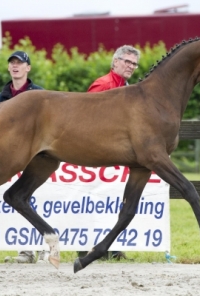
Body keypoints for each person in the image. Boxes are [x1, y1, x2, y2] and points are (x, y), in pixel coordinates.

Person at [87, 45, 141, 260]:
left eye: (134, 64)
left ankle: (112, 248)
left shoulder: (130, 88)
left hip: (116, 156)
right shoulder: (103, 85)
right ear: (115, 62)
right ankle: (90, 247)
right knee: (96, 202)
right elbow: (86, 118)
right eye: (127, 62)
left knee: (111, 203)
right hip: (98, 155)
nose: (131, 66)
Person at [0, 50, 49, 264]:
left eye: (20, 63)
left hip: (38, 157)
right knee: (19, 201)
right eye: (12, 63)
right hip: (14, 156)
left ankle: (45, 249)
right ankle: (26, 250)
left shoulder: (40, 94)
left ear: (28, 68)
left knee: (41, 200)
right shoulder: (3, 96)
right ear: (9, 68)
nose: (16, 66)